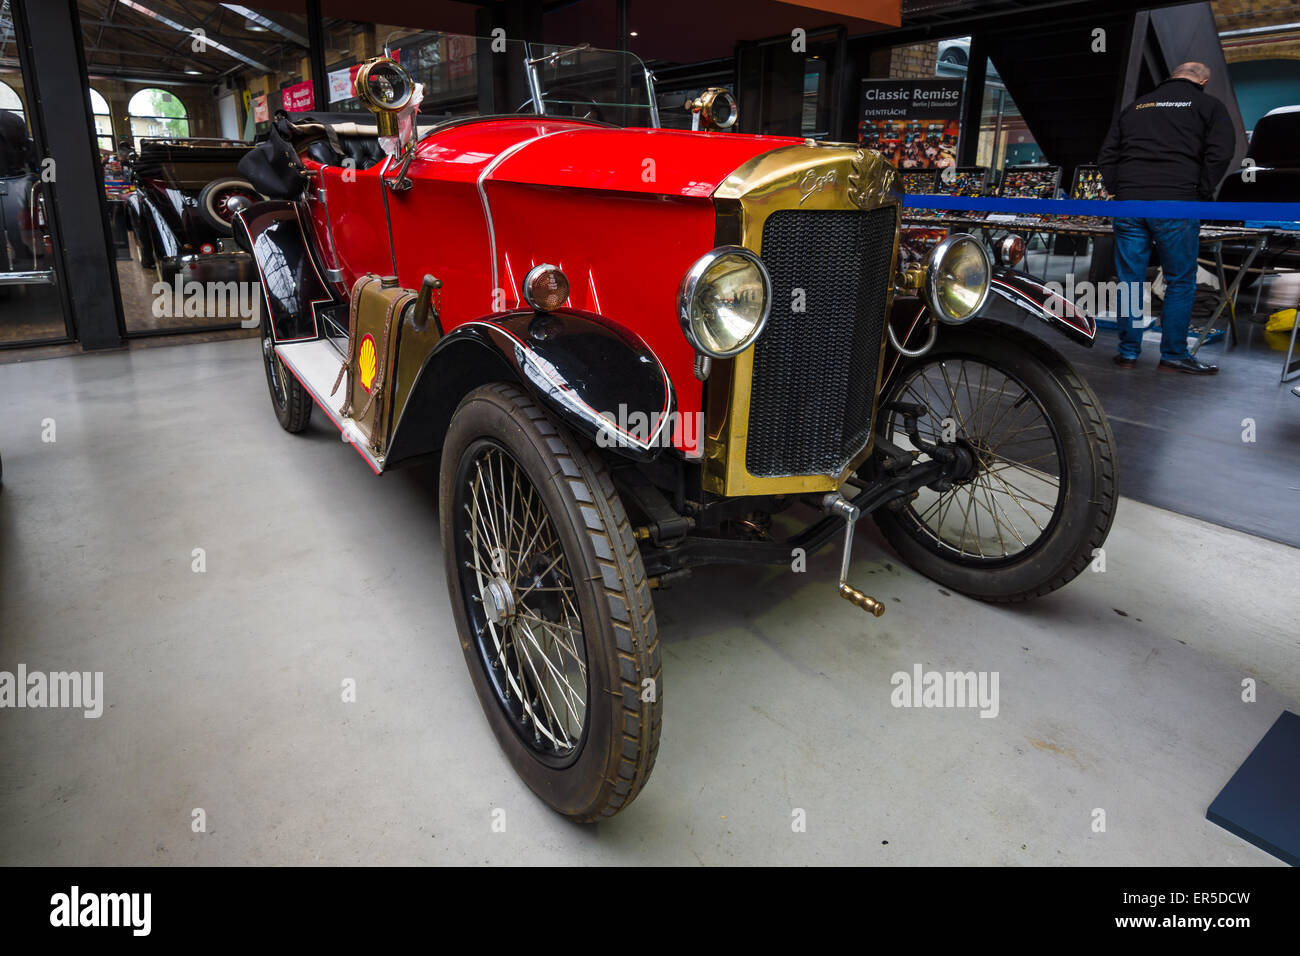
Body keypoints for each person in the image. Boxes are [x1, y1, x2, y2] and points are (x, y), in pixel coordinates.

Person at [1097, 61, 1236, 374]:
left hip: (1130, 205)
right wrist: (1199, 191)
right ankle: (1173, 355)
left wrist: (1121, 188)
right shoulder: (1208, 105)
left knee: (1130, 281)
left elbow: (1107, 154)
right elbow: (1222, 151)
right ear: (1204, 80)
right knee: (1179, 281)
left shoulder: (1136, 107)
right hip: (1177, 203)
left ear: (1172, 76)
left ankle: (1128, 353)